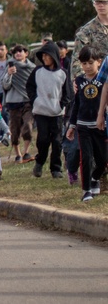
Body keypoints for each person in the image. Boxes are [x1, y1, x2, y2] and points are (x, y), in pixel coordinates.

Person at [26, 41, 69, 178]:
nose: (44, 58)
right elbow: (30, 87)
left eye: (47, 55)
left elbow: (68, 93)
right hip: (41, 112)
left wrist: (61, 105)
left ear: (54, 56)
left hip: (56, 114)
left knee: (57, 142)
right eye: (42, 56)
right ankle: (40, 162)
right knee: (43, 140)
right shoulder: (37, 71)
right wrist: (35, 100)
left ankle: (56, 168)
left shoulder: (63, 73)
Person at [68, 46, 106, 201]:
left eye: (90, 62)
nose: (87, 66)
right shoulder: (79, 81)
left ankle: (95, 178)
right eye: (84, 63)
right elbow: (76, 104)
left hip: (100, 125)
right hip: (83, 126)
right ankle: (86, 191)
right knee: (87, 158)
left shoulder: (103, 80)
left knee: (103, 160)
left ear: (99, 62)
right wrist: (71, 126)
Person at [1, 44, 35, 163]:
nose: (18, 53)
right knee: (14, 130)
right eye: (15, 52)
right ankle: (18, 154)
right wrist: (9, 74)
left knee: (28, 126)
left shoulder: (32, 68)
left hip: (28, 101)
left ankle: (26, 152)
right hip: (14, 102)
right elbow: (5, 85)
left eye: (21, 51)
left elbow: (35, 84)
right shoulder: (10, 66)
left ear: (26, 53)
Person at [72, 0, 108, 81]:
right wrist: (81, 81)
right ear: (93, 4)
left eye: (104, 2)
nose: (101, 5)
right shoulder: (86, 31)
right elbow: (77, 60)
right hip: (97, 84)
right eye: (97, 2)